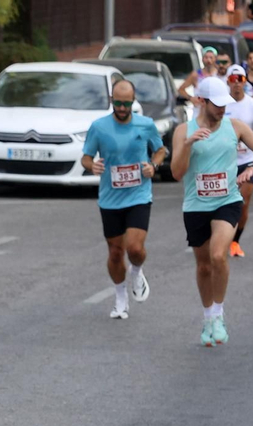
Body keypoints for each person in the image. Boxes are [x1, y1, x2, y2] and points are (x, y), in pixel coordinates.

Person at [172, 77, 253, 347]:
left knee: (218, 255)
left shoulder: (235, 126)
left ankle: (218, 314)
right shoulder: (184, 131)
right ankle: (208, 318)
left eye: (224, 104)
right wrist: (188, 144)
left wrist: (252, 169)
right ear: (202, 101)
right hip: (195, 205)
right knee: (204, 266)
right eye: (216, 104)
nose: (222, 109)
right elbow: (177, 173)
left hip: (228, 201)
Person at [82, 79, 167, 318]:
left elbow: (160, 150)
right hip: (110, 199)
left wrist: (153, 165)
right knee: (115, 252)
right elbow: (86, 157)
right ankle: (120, 297)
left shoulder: (145, 125)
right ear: (111, 100)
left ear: (133, 101)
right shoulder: (99, 127)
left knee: (135, 249)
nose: (121, 108)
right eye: (117, 103)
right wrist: (92, 166)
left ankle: (137, 271)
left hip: (139, 195)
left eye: (126, 104)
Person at [225, 65, 253, 259]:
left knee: (243, 202)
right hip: (225, 163)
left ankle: (235, 241)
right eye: (233, 79)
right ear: (228, 81)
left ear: (245, 82)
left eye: (241, 79)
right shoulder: (221, 105)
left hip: (248, 162)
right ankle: (221, 236)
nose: (237, 83)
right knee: (223, 203)